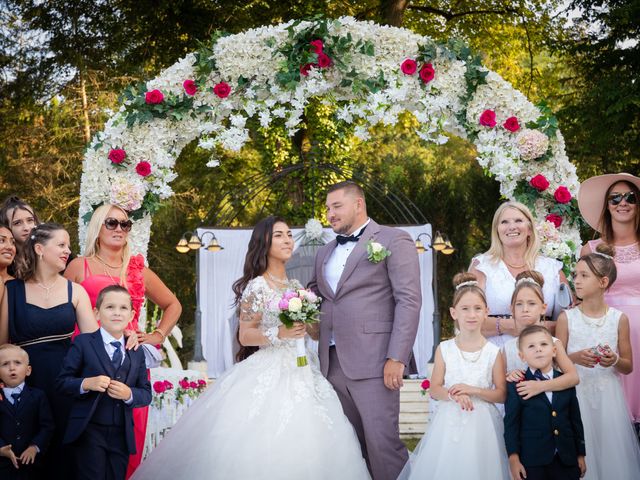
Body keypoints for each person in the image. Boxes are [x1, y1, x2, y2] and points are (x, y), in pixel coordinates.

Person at [131, 216, 370, 479]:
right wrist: (279, 332)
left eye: (289, 234)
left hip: (304, 368)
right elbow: (246, 335)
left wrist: (308, 324)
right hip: (270, 368)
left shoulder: (297, 287)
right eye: (279, 235)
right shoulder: (258, 286)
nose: (287, 240)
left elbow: (311, 332)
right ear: (264, 243)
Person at [308, 181, 422, 480]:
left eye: (337, 206)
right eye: (328, 208)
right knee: (349, 447)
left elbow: (408, 300)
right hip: (331, 362)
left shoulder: (394, 240)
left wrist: (396, 357)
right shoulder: (324, 253)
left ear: (359, 204)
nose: (330, 214)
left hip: (376, 362)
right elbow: (315, 294)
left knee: (383, 445)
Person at [64, 203, 181, 477]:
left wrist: (156, 336)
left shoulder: (138, 269)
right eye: (111, 223)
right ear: (97, 227)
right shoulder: (79, 267)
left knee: (128, 440)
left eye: (125, 224)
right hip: (88, 362)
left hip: (129, 364)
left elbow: (173, 304)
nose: (119, 228)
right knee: (87, 443)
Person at [0, 223, 99, 478]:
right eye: (62, 245)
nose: (68, 251)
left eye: (69, 246)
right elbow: (2, 346)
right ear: (40, 248)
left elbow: (92, 343)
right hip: (25, 385)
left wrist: (124, 336)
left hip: (66, 383)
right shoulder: (11, 290)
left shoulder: (75, 290)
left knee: (65, 455)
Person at [398, 273, 509, 479]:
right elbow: (435, 388)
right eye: (465, 309)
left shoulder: (493, 352)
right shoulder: (445, 348)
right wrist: (454, 395)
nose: (471, 314)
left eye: (477, 309)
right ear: (453, 312)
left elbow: (502, 394)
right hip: (449, 422)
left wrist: (473, 390)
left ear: (487, 312)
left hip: (483, 425)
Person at [556, 244, 640, 479]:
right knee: (583, 451)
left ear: (603, 282)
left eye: (584, 276)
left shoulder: (618, 319)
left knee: (611, 454)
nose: (577, 281)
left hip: (609, 398)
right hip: (576, 395)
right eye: (575, 275)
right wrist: (573, 357)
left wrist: (613, 360)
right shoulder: (567, 318)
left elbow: (628, 365)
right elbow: (555, 363)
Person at [56, 285, 151, 480]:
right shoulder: (83, 343)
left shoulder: (136, 350)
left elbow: (146, 393)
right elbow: (62, 383)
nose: (117, 312)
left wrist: (129, 395)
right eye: (110, 307)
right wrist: (86, 383)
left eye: (123, 308)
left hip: (121, 434)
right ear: (96, 313)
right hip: (89, 430)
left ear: (132, 314)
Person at [578, 172, 640, 435]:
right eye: (615, 198)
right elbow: (581, 295)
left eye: (630, 197)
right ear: (607, 206)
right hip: (603, 330)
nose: (622, 203)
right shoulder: (589, 249)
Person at [469, 201, 570, 348]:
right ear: (496, 230)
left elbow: (569, 318)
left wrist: (541, 328)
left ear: (529, 229)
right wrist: (510, 326)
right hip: (494, 357)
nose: (512, 227)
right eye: (504, 222)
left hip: (542, 356)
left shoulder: (551, 268)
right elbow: (465, 319)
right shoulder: (482, 267)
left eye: (518, 220)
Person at [504, 325, 586, 480]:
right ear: (522, 356)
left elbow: (575, 420)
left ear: (554, 350)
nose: (538, 349)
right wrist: (513, 459)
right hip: (532, 461)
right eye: (531, 346)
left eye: (543, 344)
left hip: (567, 459)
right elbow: (511, 425)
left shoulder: (565, 381)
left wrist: (580, 453)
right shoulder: (516, 385)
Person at [503, 271, 579, 400]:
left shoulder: (553, 343)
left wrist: (540, 386)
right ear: (512, 309)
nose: (525, 309)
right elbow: (501, 385)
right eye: (519, 304)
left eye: (531, 303)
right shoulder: (507, 348)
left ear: (543, 308)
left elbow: (573, 377)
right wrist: (509, 375)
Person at [0, 344, 54, 479]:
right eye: (5, 364)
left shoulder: (38, 396)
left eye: (17, 363)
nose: (12, 368)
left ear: (28, 370)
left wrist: (34, 447)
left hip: (32, 466)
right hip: (3, 466)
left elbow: (47, 426)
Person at [0, 197, 40, 277]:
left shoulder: (51, 251)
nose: (26, 228)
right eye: (17, 223)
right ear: (6, 227)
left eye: (30, 220)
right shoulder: (5, 261)